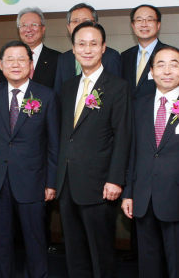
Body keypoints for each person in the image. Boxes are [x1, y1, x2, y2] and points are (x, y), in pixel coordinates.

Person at [121, 46, 179, 278]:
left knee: (178, 265)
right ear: (151, 71)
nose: (167, 70)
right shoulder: (138, 105)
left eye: (174, 64)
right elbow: (132, 153)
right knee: (147, 264)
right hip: (143, 197)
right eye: (160, 64)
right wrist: (128, 193)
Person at [0, 40, 59, 278]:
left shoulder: (46, 95)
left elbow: (53, 144)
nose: (15, 64)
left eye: (22, 59)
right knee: (0, 239)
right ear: (0, 64)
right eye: (9, 59)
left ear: (30, 64)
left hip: (33, 180)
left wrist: (51, 182)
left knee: (34, 239)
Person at [56, 22, 132, 277]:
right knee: (74, 251)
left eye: (93, 44)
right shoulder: (67, 87)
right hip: (67, 183)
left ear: (103, 49)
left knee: (101, 253)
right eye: (81, 44)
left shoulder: (118, 87)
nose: (87, 49)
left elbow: (123, 136)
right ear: (74, 49)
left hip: (99, 184)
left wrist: (115, 180)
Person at [54, 3, 122, 93]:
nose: (80, 25)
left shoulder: (111, 56)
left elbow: (117, 90)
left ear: (96, 24)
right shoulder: (63, 58)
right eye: (75, 21)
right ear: (68, 27)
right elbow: (58, 94)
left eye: (86, 21)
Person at [121, 4, 166, 100]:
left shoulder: (168, 54)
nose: (144, 24)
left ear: (158, 25)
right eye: (139, 20)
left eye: (149, 20)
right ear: (133, 26)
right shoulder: (125, 56)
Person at [16, 7, 61, 89]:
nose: (28, 29)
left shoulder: (58, 59)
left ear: (43, 29)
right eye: (24, 25)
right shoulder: (10, 59)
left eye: (34, 25)